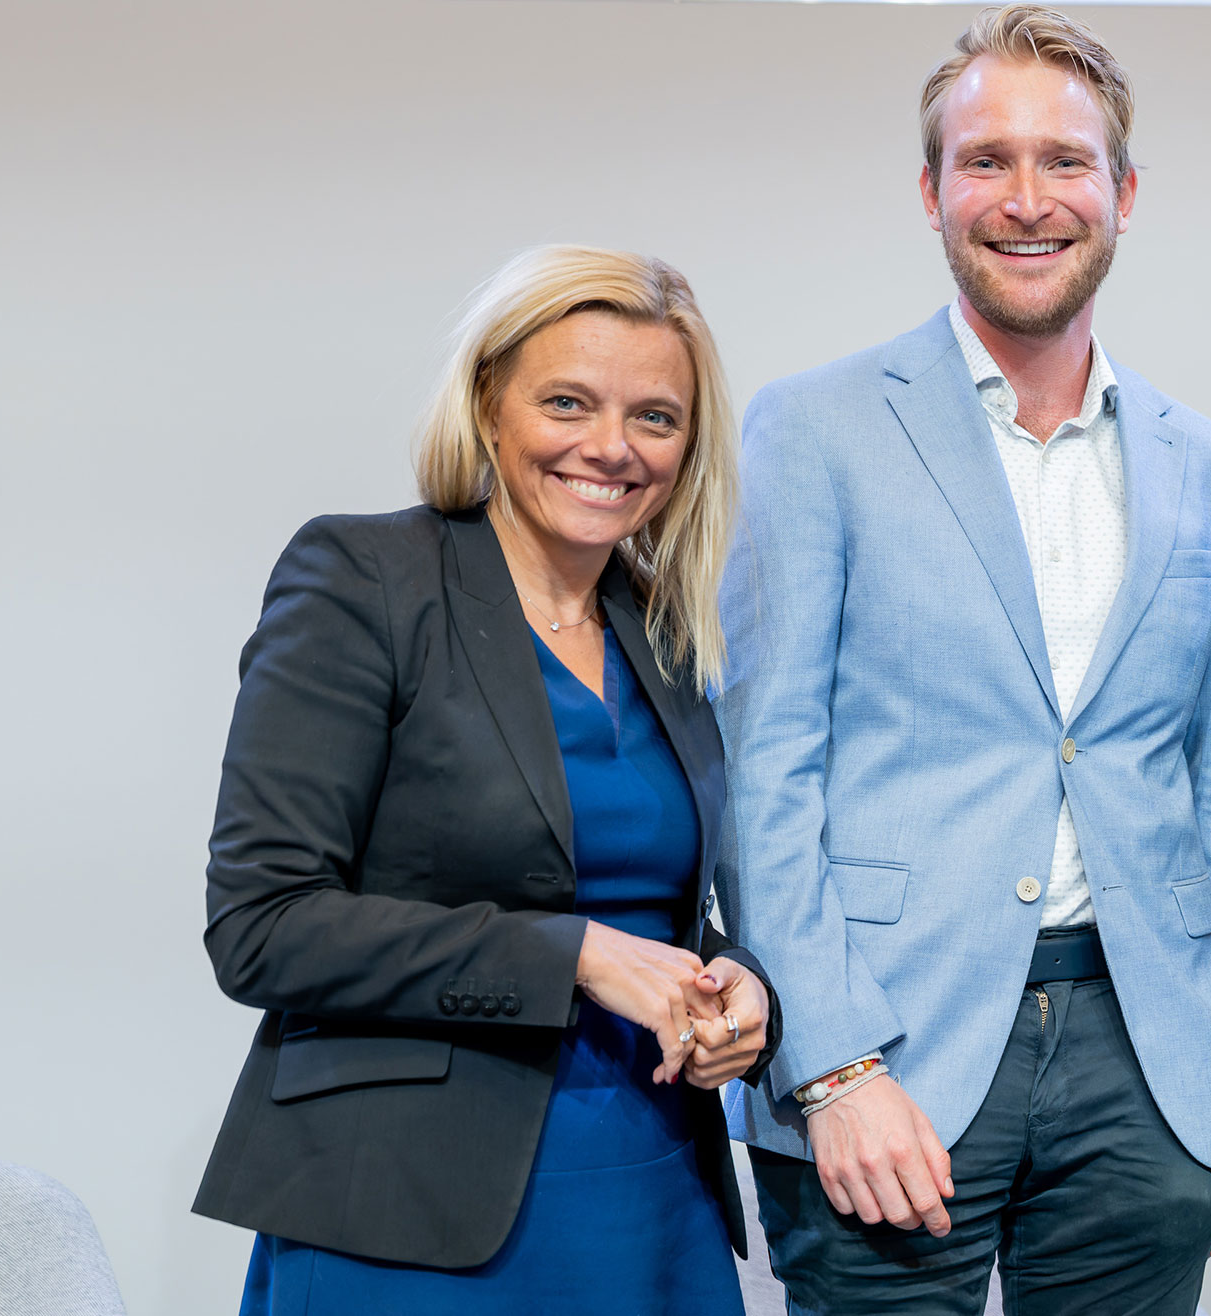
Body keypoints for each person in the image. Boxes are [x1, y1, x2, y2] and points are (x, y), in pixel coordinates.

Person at [712, 7, 1211, 1314]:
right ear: (931, 190)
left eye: (1066, 162)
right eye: (987, 161)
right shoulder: (817, 428)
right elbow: (764, 775)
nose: (1029, 199)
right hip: (888, 1053)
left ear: (1124, 192)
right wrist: (832, 1067)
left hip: (1149, 1062)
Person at [193, 246, 777, 1315]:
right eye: (568, 401)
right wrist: (576, 958)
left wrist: (741, 990)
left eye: (656, 416)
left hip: (653, 1195)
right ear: (488, 407)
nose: (611, 447)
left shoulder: (663, 627)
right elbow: (263, 925)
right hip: (408, 1215)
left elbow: (658, 903)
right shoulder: (364, 580)